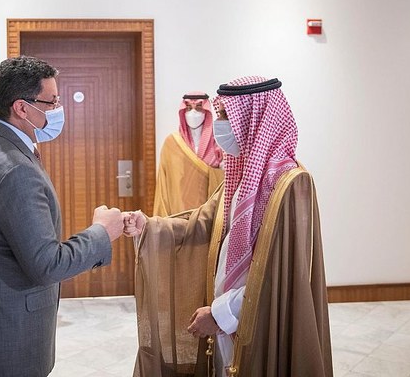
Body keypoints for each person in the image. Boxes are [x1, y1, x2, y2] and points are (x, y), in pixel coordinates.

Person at [125, 77, 332, 376]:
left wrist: (221, 313)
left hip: (261, 323)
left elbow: (280, 277)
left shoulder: (290, 184)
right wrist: (149, 226)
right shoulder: (241, 176)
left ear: (252, 119)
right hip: (224, 317)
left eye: (225, 115)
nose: (219, 124)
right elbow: (202, 223)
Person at [0, 56, 126, 377]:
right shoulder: (14, 169)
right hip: (5, 329)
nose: (58, 109)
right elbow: (47, 264)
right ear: (22, 108)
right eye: (52, 101)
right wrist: (102, 231)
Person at [153, 92, 224, 216]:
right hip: (177, 214)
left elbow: (225, 181)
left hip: (208, 214)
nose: (193, 113)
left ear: (206, 112)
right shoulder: (172, 143)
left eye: (198, 108)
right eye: (189, 108)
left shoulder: (218, 143)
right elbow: (163, 186)